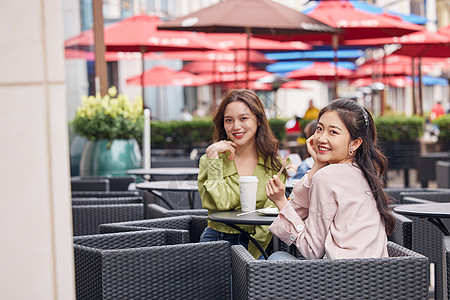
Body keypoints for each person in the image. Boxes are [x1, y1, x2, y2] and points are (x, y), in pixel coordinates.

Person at [266, 98, 395, 259]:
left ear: (355, 143)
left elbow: (311, 250)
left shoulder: (327, 177)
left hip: (341, 279)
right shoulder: (364, 172)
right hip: (378, 278)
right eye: (319, 129)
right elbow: (300, 213)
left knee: (276, 259)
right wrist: (317, 166)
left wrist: (280, 202)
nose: (321, 138)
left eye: (333, 132)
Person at [198, 89, 287, 259]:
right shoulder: (211, 159)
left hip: (254, 245)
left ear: (258, 120)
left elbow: (271, 216)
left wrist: (251, 256)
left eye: (243, 118)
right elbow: (217, 204)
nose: (236, 126)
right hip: (215, 241)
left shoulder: (274, 165)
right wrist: (213, 159)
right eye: (229, 120)